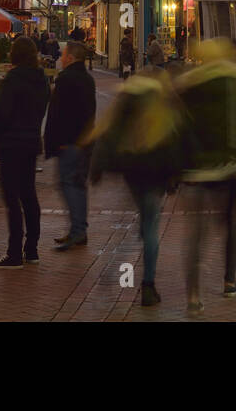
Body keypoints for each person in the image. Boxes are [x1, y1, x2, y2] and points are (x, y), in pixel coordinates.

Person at [88, 70, 190, 307]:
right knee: (151, 225)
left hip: (132, 171)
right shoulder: (164, 105)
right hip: (156, 173)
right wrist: (177, 174)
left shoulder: (127, 101)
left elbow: (107, 133)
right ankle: (148, 285)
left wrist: (97, 167)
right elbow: (178, 139)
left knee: (145, 219)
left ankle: (116, 268)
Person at [177, 38, 236, 316]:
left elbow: (177, 125)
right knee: (229, 224)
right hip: (228, 168)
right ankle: (229, 279)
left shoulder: (190, 84)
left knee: (195, 235)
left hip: (194, 170)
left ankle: (193, 296)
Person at [0, 36, 50, 268]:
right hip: (31, 142)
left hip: (11, 144)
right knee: (29, 196)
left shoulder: (12, 79)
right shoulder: (42, 80)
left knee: (12, 199)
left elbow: (3, 114)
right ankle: (31, 249)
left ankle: (14, 253)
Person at [45, 41, 97, 250]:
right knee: (77, 185)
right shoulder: (87, 79)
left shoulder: (66, 80)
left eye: (64, 55)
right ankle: (78, 229)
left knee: (69, 185)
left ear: (71, 58)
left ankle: (78, 231)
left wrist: (60, 141)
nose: (61, 58)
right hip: (84, 142)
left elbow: (58, 114)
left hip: (70, 143)